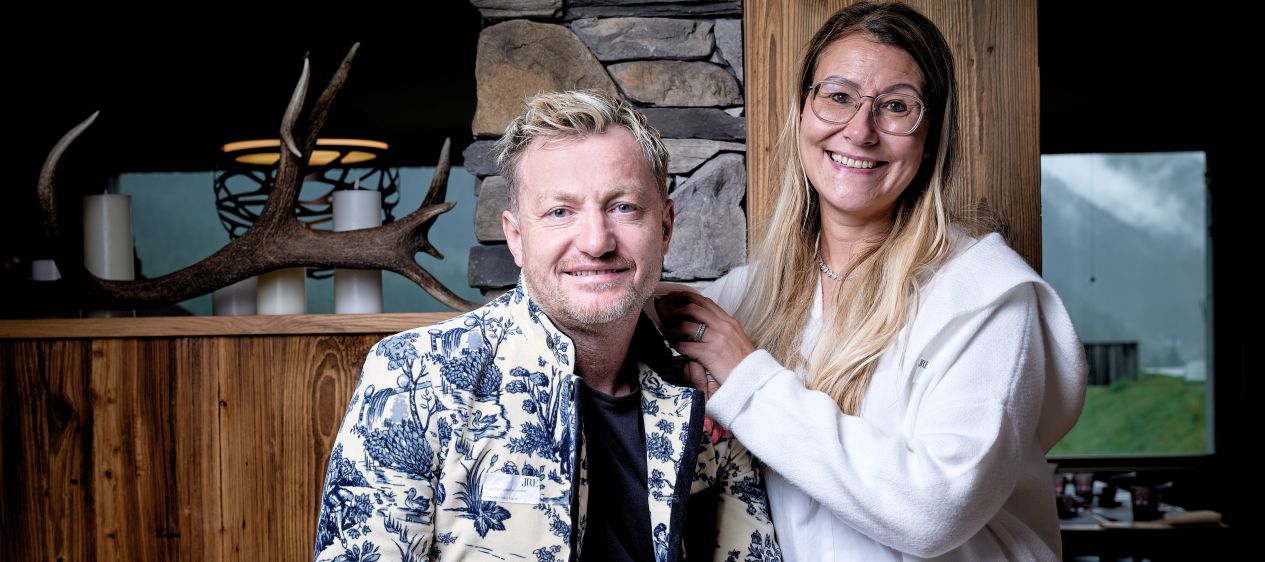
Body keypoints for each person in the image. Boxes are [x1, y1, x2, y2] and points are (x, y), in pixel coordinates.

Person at [655, 2, 1087, 560]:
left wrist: (748, 384)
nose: (860, 131)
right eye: (838, 96)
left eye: (896, 107)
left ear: (930, 137)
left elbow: (934, 509)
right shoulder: (748, 298)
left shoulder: (986, 300)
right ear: (802, 112)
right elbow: (617, 310)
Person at [312, 89, 780, 562]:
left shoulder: (705, 390)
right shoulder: (413, 378)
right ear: (516, 237)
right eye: (560, 212)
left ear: (665, 229)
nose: (596, 242)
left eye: (623, 207)